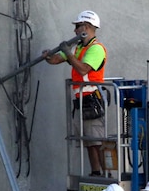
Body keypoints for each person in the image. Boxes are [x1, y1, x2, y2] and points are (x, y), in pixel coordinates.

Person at [44, 10, 108, 176]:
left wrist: (67, 53)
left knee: (97, 140)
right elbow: (56, 60)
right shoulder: (79, 47)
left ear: (86, 27)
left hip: (93, 98)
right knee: (89, 140)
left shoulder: (96, 49)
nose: (75, 31)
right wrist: (48, 56)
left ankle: (107, 174)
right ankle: (96, 172)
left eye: (77, 26)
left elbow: (82, 68)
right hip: (82, 99)